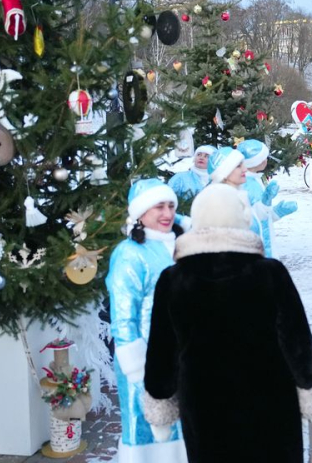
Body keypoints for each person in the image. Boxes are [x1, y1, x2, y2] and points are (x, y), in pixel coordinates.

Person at [143, 183, 312, 462]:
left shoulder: (173, 279)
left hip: (204, 404)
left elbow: (162, 351)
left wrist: (160, 399)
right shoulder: (271, 273)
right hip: (271, 401)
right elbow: (297, 340)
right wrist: (308, 386)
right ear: (242, 220)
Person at [105, 179, 187, 462]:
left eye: (171, 206)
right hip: (144, 361)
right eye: (158, 207)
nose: (167, 214)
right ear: (140, 213)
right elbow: (123, 317)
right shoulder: (129, 253)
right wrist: (138, 368)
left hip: (179, 356)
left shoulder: (179, 247)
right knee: (146, 431)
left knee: (180, 430)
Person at [237, 140, 297, 257]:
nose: (266, 160)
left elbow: (263, 216)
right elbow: (251, 217)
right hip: (254, 247)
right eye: (264, 157)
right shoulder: (246, 184)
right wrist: (265, 204)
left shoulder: (255, 180)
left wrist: (277, 212)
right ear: (255, 161)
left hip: (264, 243)